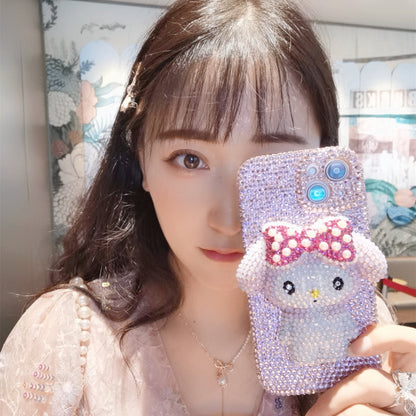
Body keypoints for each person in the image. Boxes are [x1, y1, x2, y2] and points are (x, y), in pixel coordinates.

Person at [1, 0, 415, 415]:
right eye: (190, 159)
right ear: (141, 160)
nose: (229, 220)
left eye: (269, 166)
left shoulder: (360, 331)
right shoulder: (72, 339)